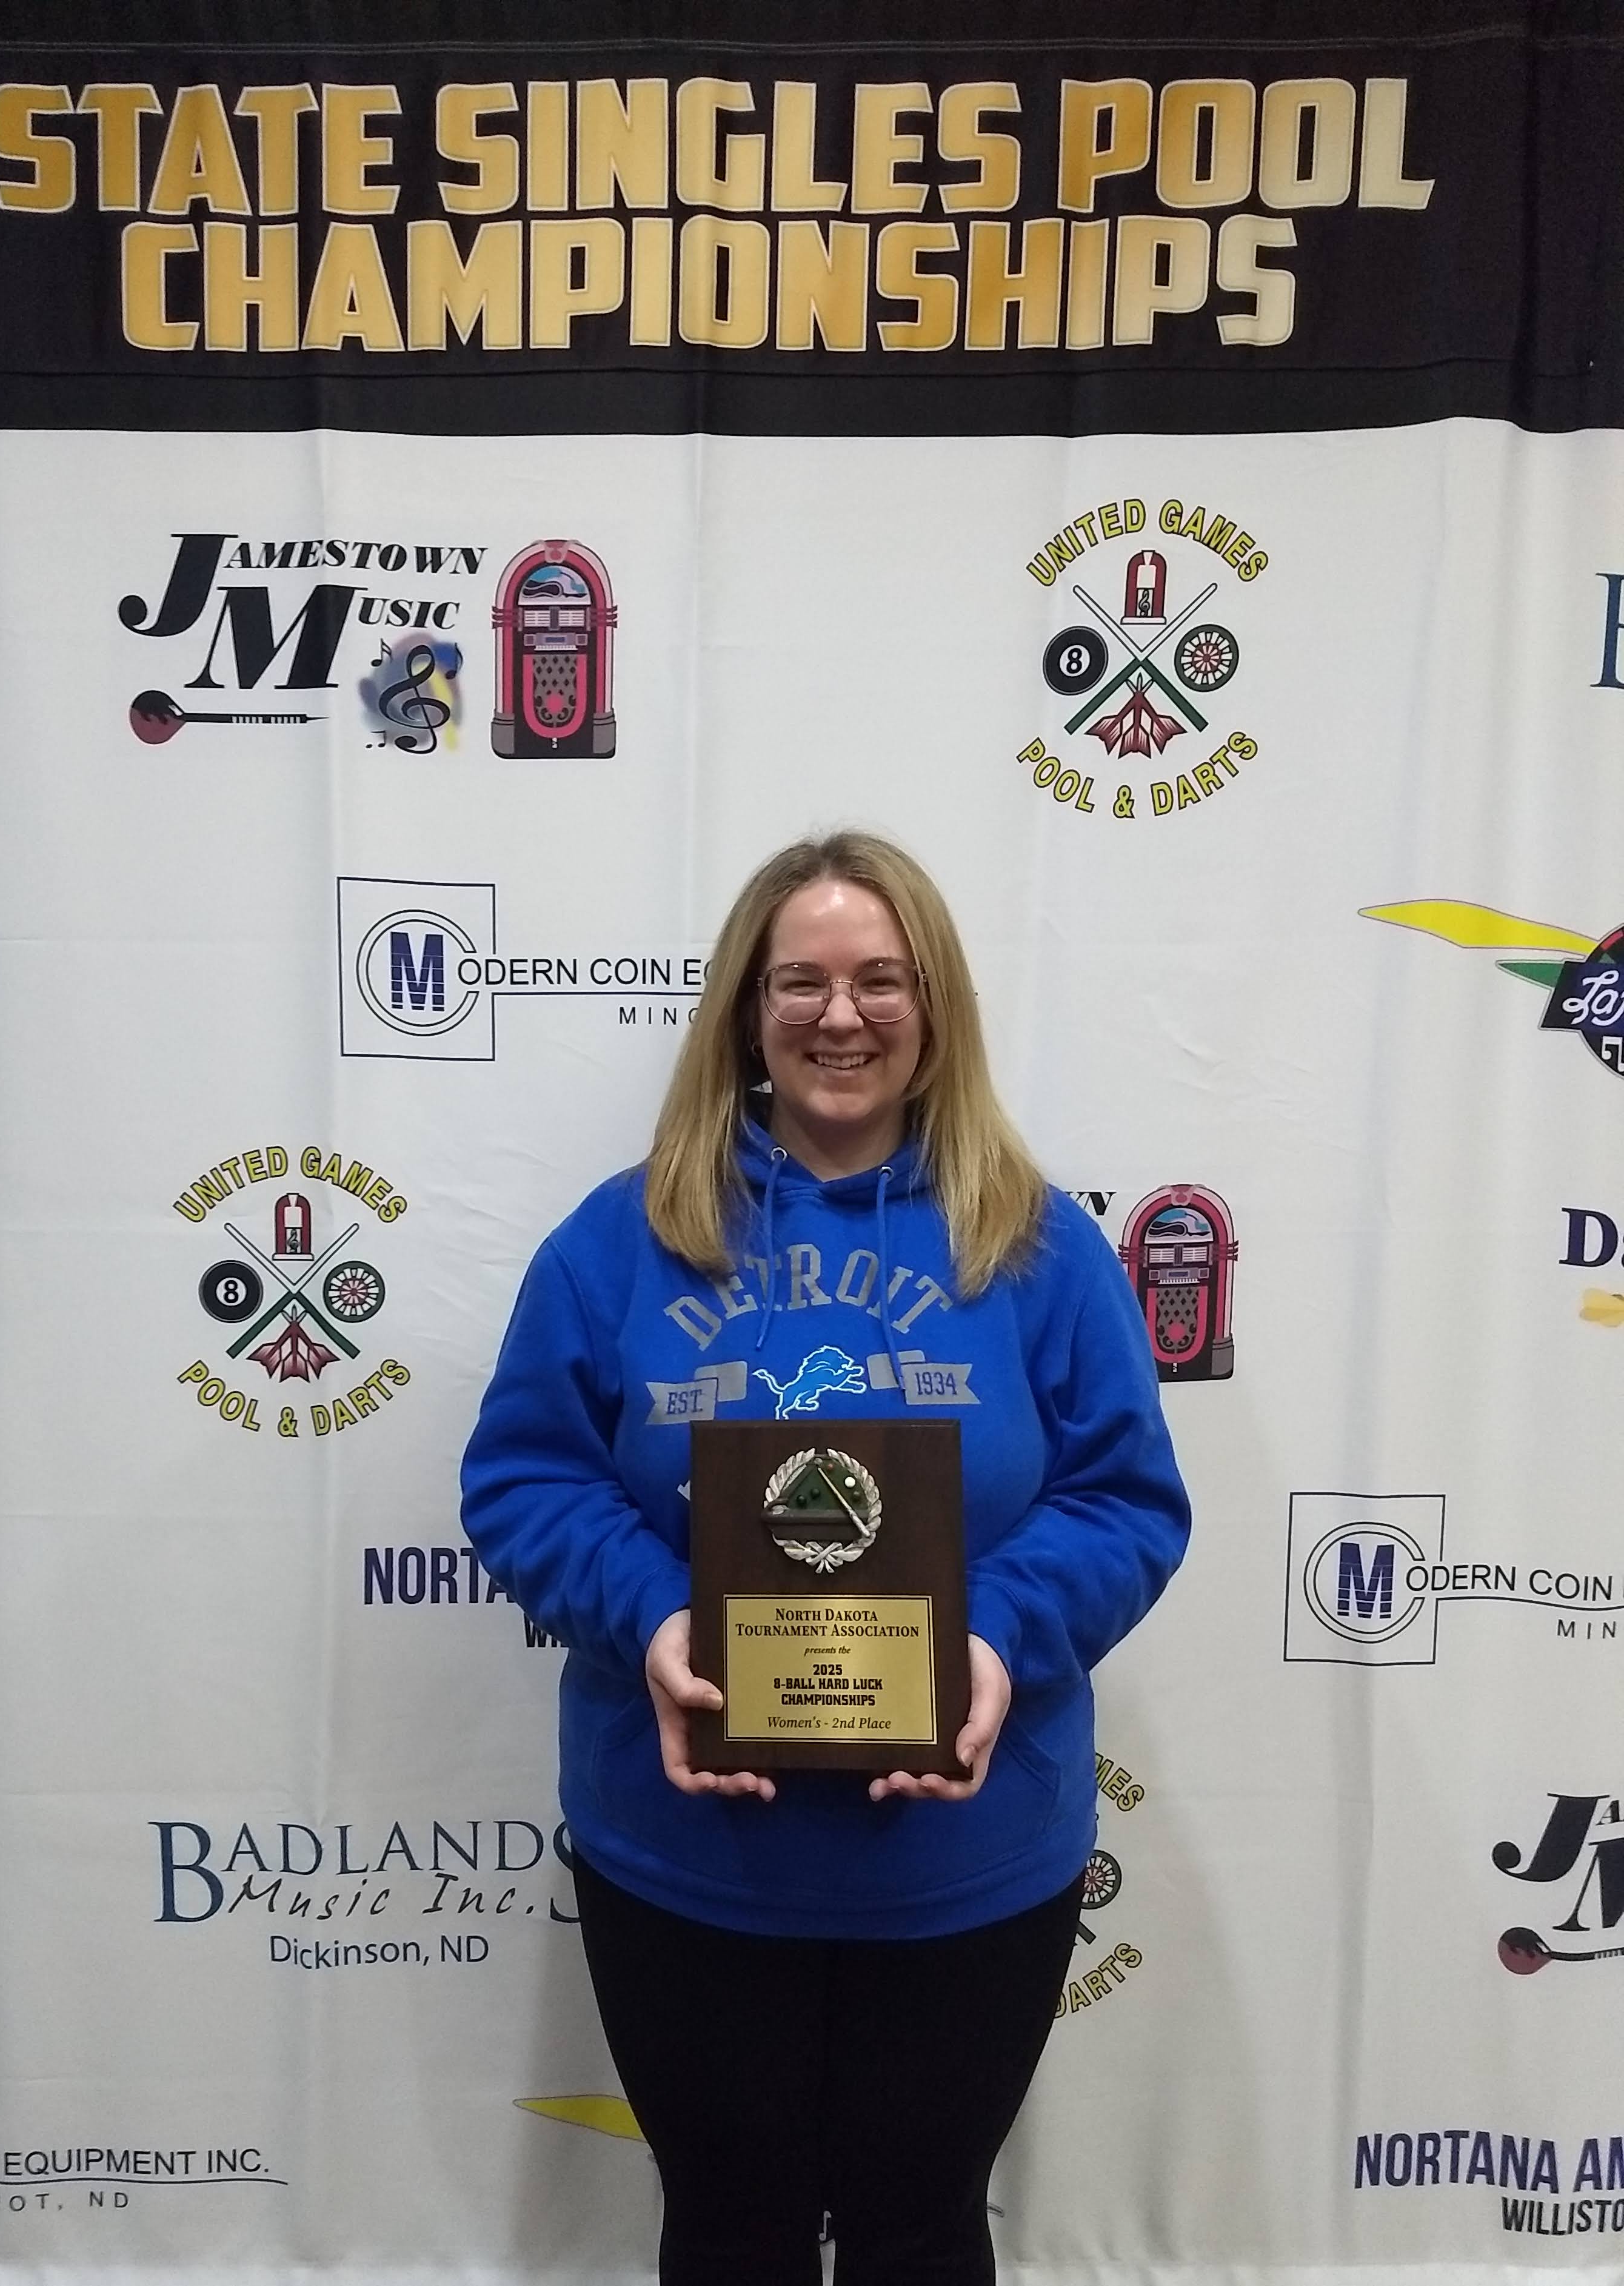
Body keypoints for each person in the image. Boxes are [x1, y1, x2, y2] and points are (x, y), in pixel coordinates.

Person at [462, 832, 1191, 2285]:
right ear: (748, 1009)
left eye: (880, 980)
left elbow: (1127, 1502)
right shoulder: (621, 1239)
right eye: (799, 980)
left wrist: (993, 1639)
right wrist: (657, 1619)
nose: (839, 1014)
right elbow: (525, 1477)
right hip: (689, 1859)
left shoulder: (1038, 1247)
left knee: (922, 2236)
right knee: (728, 2235)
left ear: (934, 1007)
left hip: (967, 1861)